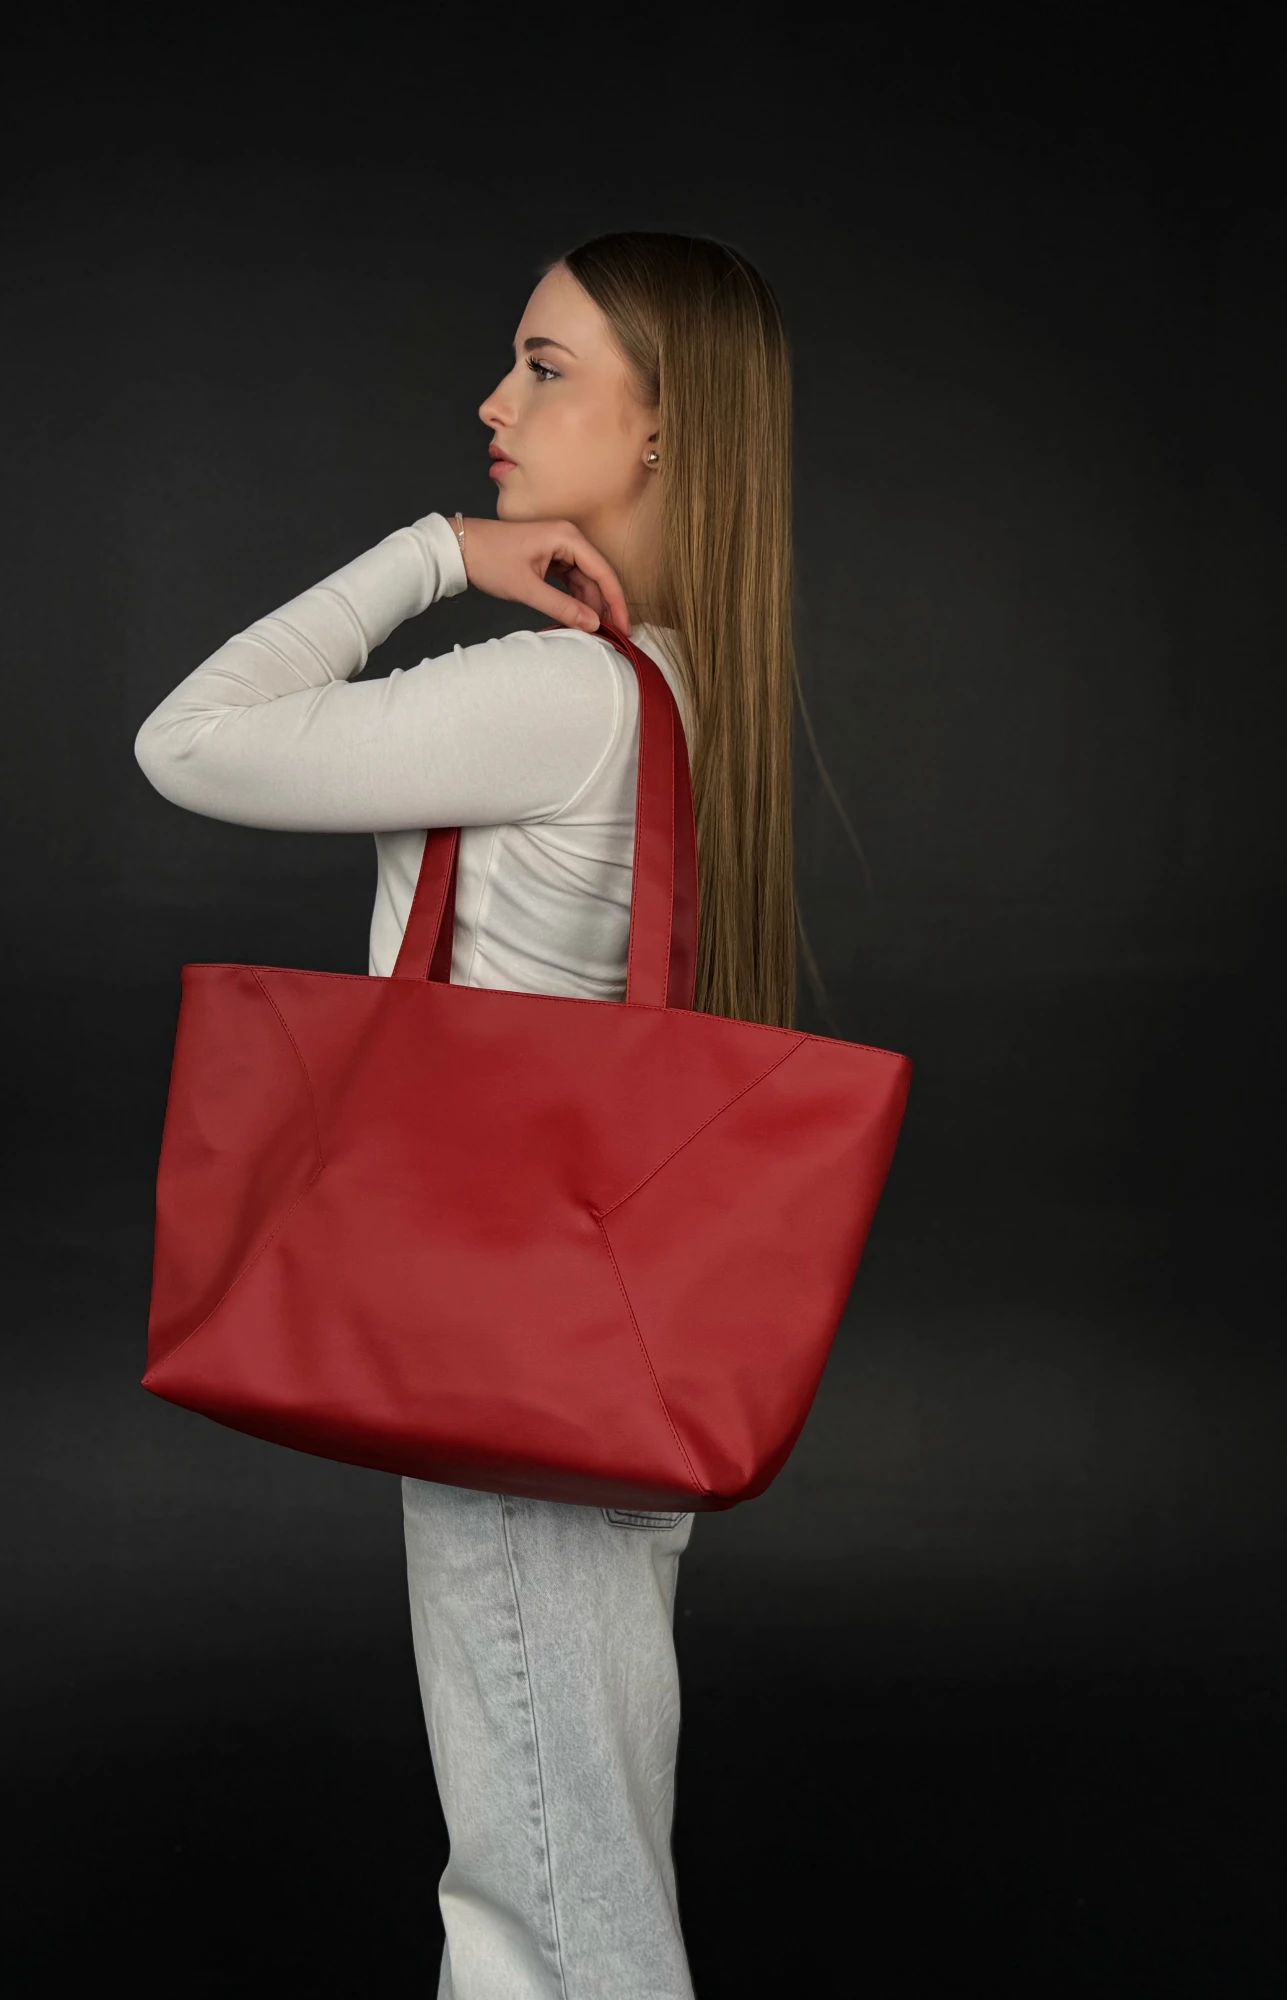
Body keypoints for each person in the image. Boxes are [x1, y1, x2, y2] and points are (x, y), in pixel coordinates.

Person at [133, 230, 800, 2000]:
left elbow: (187, 740)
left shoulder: (560, 694)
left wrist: (435, 551)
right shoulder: (679, 686)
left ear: (663, 429)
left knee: (550, 1898)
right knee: (563, 1853)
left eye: (547, 367)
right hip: (600, 1339)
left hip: (507, 1362)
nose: (494, 401)